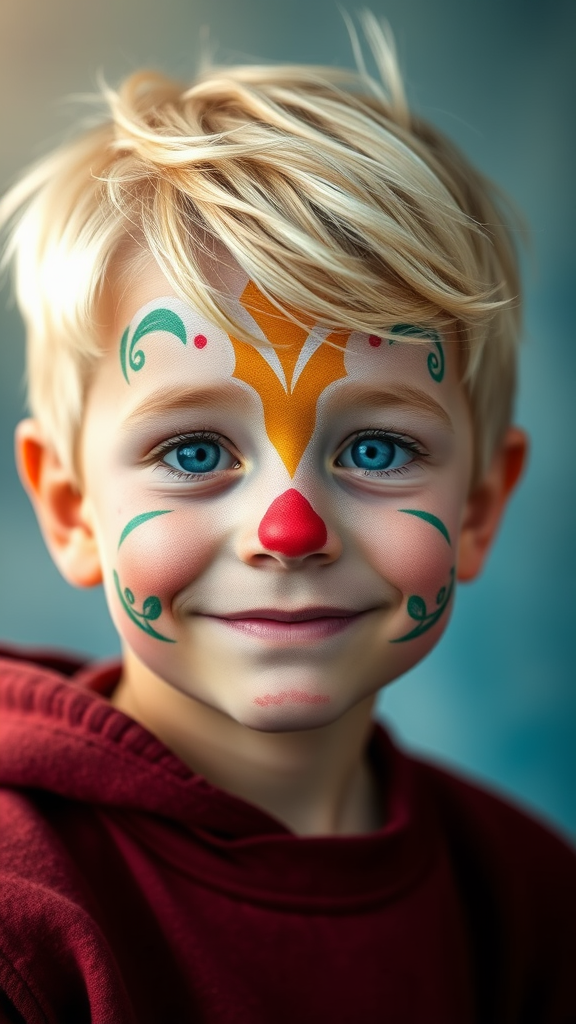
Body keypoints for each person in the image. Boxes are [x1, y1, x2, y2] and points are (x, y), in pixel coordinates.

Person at [0, 15, 574, 1024]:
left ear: (480, 504)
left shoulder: (531, 900)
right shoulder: (21, 914)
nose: (289, 529)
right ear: (70, 506)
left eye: (378, 448)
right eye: (193, 453)